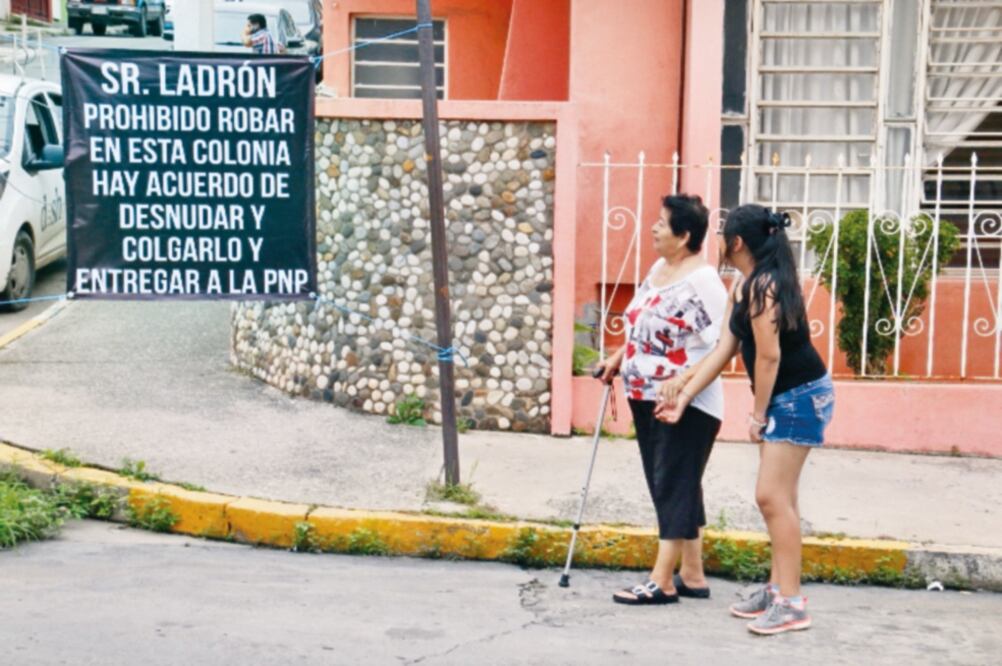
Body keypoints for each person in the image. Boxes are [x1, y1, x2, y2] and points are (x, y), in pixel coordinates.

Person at [657, 204, 834, 635]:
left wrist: (758, 415)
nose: (717, 240)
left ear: (735, 242)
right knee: (782, 498)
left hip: (798, 397)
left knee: (771, 498)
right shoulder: (745, 285)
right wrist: (684, 391)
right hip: (787, 396)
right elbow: (723, 350)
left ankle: (791, 603)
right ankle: (777, 590)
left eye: (721, 233)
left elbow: (770, 356)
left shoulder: (766, 287)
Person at [595, 194, 728, 606]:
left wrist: (684, 384)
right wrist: (618, 359)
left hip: (686, 403)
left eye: (662, 223)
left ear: (684, 235)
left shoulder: (704, 282)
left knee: (672, 482)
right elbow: (640, 328)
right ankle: (692, 573)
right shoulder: (659, 270)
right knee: (674, 482)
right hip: (643, 394)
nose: (653, 228)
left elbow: (723, 343)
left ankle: (662, 580)